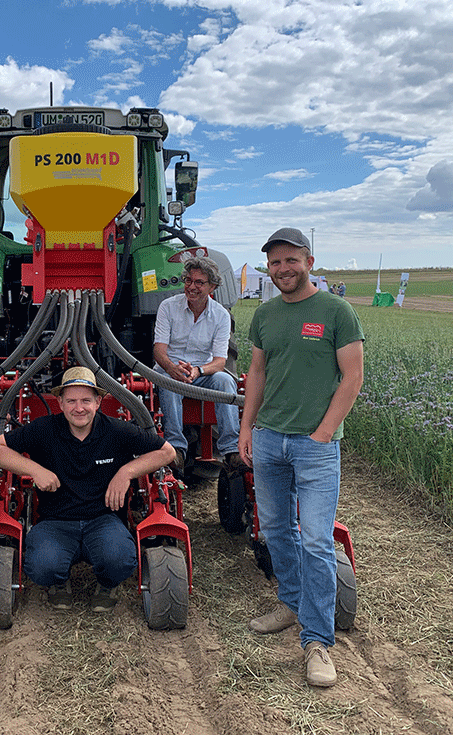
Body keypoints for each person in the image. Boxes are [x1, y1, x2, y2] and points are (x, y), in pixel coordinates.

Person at [238, 226, 364, 689]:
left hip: (315, 446)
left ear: (309, 261)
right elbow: (256, 371)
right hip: (269, 439)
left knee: (315, 540)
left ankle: (318, 642)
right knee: (274, 530)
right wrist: (247, 428)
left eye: (290, 260)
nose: (282, 269)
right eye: (274, 263)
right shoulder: (266, 315)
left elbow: (352, 378)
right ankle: (290, 603)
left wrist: (323, 433)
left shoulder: (336, 311)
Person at [0, 366, 176, 613]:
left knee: (120, 560)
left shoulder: (116, 431)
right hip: (56, 521)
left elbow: (167, 452)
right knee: (42, 566)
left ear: (98, 402)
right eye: (71, 401)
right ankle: (58, 583)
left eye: (86, 400)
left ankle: (107, 584)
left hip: (103, 520)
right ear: (60, 403)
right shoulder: (44, 430)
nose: (79, 408)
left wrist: (126, 472)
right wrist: (34, 469)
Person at [152, 256, 240, 472]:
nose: (191, 287)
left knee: (225, 381)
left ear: (213, 286)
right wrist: (172, 368)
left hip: (202, 373)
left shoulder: (220, 315)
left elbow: (220, 362)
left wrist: (198, 370)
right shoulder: (168, 307)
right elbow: (159, 350)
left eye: (199, 283)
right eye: (188, 281)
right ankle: (176, 450)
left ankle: (231, 450)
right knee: (168, 382)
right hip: (170, 370)